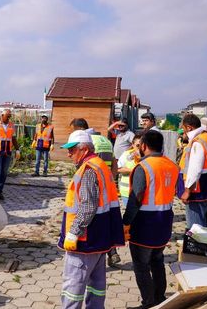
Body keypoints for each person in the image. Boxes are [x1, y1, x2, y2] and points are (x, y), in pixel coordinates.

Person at [58, 130, 125, 309]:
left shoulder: (88, 170)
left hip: (85, 240)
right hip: (100, 237)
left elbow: (88, 206)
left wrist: (73, 233)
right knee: (97, 284)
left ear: (84, 149)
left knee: (73, 285)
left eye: (72, 150)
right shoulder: (100, 165)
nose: (68, 153)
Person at [123, 131, 181, 309]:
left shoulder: (144, 167)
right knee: (157, 260)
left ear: (144, 146)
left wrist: (125, 223)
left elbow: (135, 198)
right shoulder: (172, 165)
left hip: (145, 224)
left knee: (141, 265)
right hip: (164, 222)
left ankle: (148, 303)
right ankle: (160, 297)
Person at [70, 118, 121, 267]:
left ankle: (105, 254)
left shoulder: (86, 141)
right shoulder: (104, 140)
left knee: (95, 223)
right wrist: (112, 180)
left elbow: (87, 168)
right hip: (107, 183)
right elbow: (114, 162)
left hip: (93, 186)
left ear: (79, 129)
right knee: (107, 222)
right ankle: (112, 252)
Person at [177, 114, 207, 228]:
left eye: (183, 128)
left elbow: (195, 169)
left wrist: (187, 190)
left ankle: (198, 245)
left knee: (196, 228)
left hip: (197, 191)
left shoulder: (198, 142)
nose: (182, 132)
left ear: (189, 127)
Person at [0, 109, 20, 200]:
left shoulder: (11, 125)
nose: (9, 118)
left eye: (10, 116)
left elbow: (13, 138)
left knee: (4, 172)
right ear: (2, 115)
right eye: (7, 116)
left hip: (7, 152)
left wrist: (17, 150)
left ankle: (0, 191)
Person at [117, 134, 142, 206]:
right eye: (137, 145)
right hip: (127, 192)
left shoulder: (147, 155)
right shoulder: (126, 154)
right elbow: (118, 169)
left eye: (142, 145)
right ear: (133, 145)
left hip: (143, 193)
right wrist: (134, 170)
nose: (140, 148)